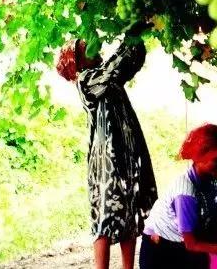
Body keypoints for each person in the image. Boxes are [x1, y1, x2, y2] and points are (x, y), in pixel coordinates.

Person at [56, 22, 157, 269]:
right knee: (105, 216)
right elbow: (115, 68)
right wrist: (131, 34)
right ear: (79, 63)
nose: (94, 47)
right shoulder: (86, 80)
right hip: (106, 164)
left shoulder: (105, 79)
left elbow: (130, 63)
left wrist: (136, 36)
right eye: (86, 48)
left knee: (129, 215)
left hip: (125, 157)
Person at [140, 123, 217, 269]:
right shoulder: (185, 192)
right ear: (200, 157)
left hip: (186, 242)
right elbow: (191, 244)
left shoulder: (215, 183)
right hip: (163, 252)